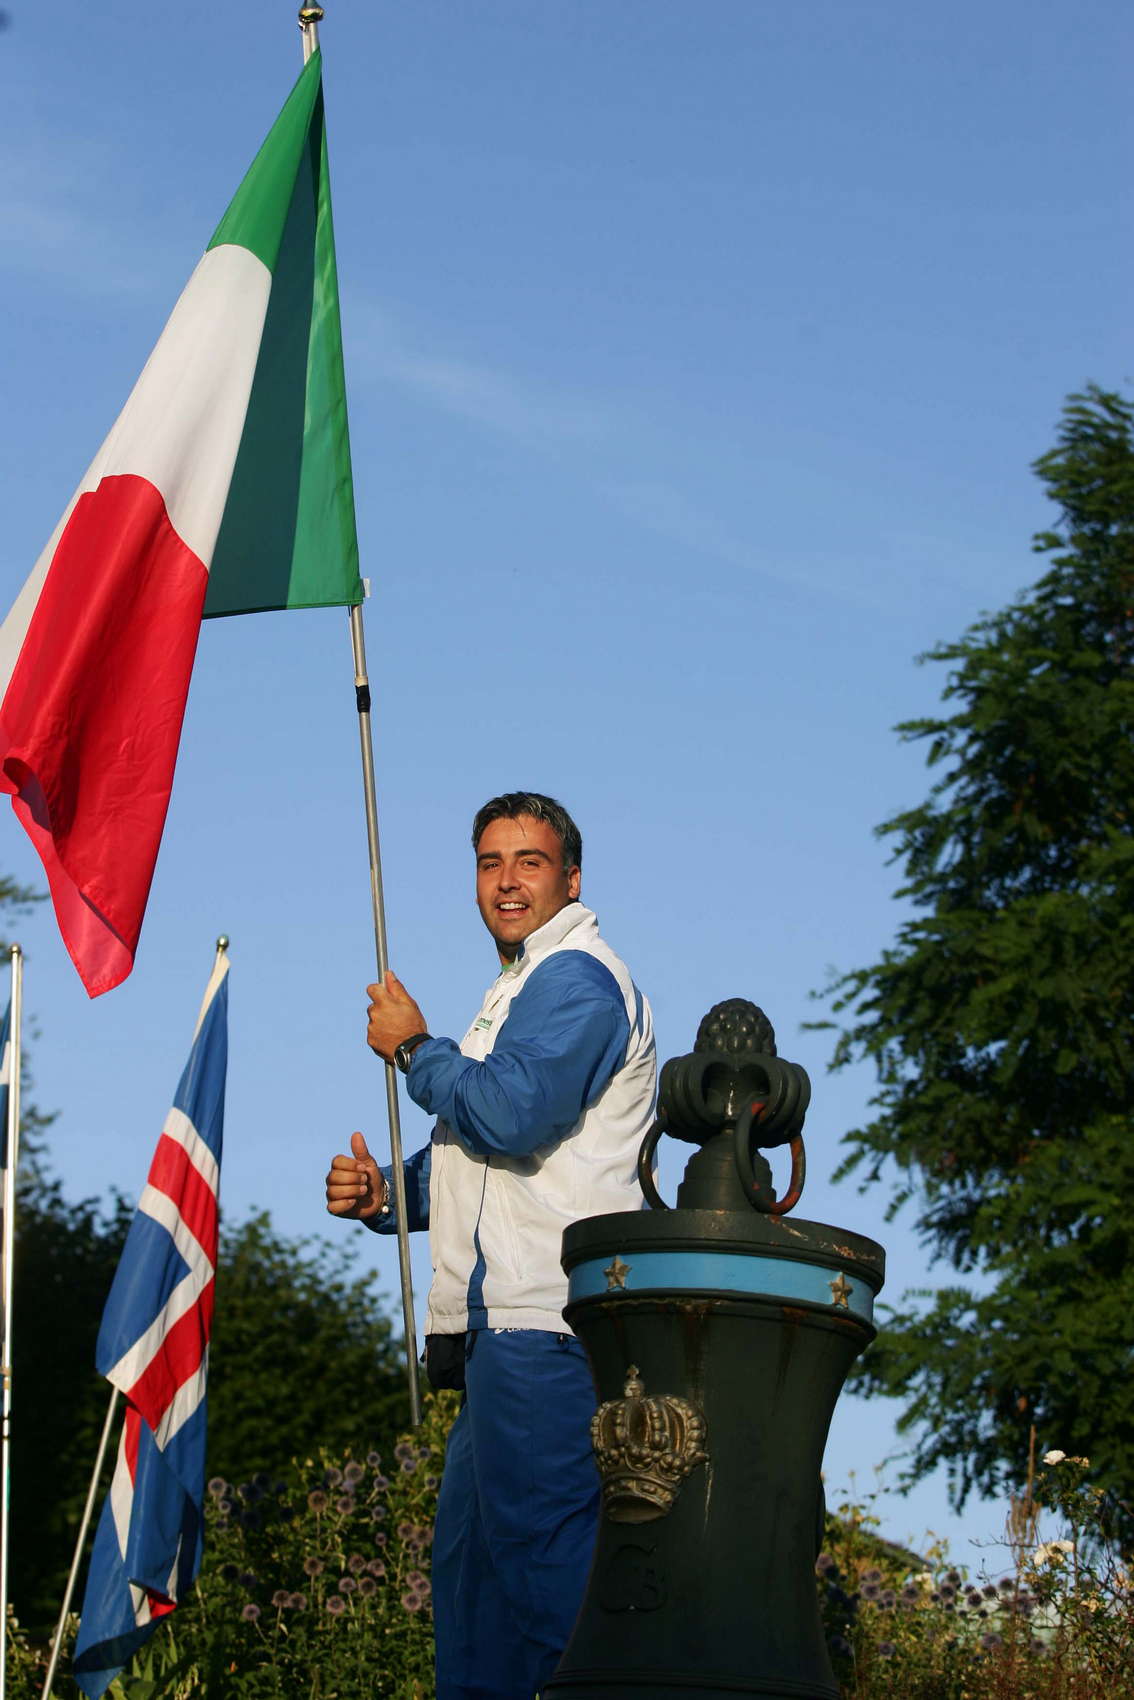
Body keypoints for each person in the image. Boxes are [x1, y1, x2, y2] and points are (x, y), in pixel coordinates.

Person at [325, 791, 656, 1700]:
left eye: (530, 862)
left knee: (549, 1589)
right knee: (478, 1610)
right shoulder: (519, 988)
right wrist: (389, 1194)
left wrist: (414, 1050)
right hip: (497, 1340)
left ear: (572, 880)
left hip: (544, 1327)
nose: (507, 881)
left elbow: (511, 1112)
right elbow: (486, 1154)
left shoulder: (578, 977)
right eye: (490, 863)